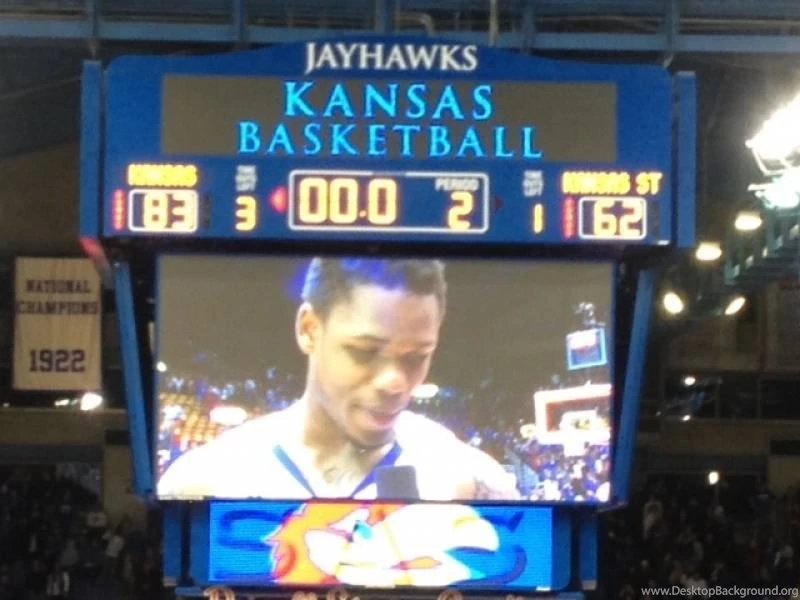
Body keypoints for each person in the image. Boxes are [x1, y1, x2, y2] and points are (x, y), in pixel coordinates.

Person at [158, 257, 518, 501]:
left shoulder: (465, 478)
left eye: (416, 358)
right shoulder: (207, 479)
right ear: (310, 329)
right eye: (364, 351)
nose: (394, 382)